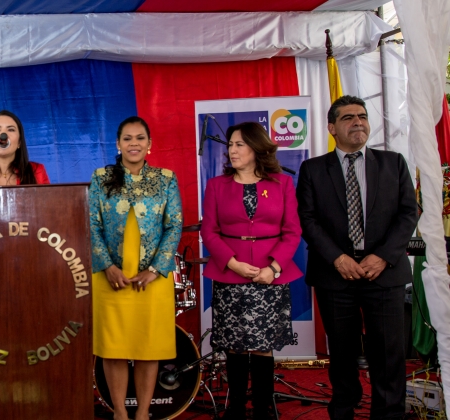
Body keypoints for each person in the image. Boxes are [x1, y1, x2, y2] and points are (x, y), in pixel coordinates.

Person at [297, 95, 417, 420]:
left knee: (388, 355)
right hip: (335, 275)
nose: (358, 122)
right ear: (332, 127)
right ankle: (344, 412)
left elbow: (409, 214)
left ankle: (389, 414)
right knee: (343, 355)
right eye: (348, 117)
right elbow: (307, 219)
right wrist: (337, 258)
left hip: (384, 273)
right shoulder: (313, 169)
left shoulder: (394, 163)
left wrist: (383, 257)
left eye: (362, 116)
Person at [201, 122, 303, 419]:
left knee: (263, 346)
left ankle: (262, 408)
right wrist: (231, 262)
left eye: (239, 145)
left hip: (270, 275)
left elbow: (292, 231)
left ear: (256, 149)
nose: (232, 150)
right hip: (230, 273)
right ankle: (235, 409)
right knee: (234, 346)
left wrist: (273, 267)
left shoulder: (282, 183)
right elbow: (210, 232)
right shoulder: (216, 186)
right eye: (230, 145)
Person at [89, 116, 182, 420]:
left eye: (140, 138)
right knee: (114, 347)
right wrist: (106, 266)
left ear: (150, 145)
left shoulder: (166, 178)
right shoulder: (101, 177)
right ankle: (119, 413)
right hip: (111, 276)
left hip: (152, 278)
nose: (134, 143)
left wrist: (156, 269)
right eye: (127, 138)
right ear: (118, 144)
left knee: (148, 346)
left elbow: (174, 226)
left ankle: (142, 414)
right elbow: (91, 225)